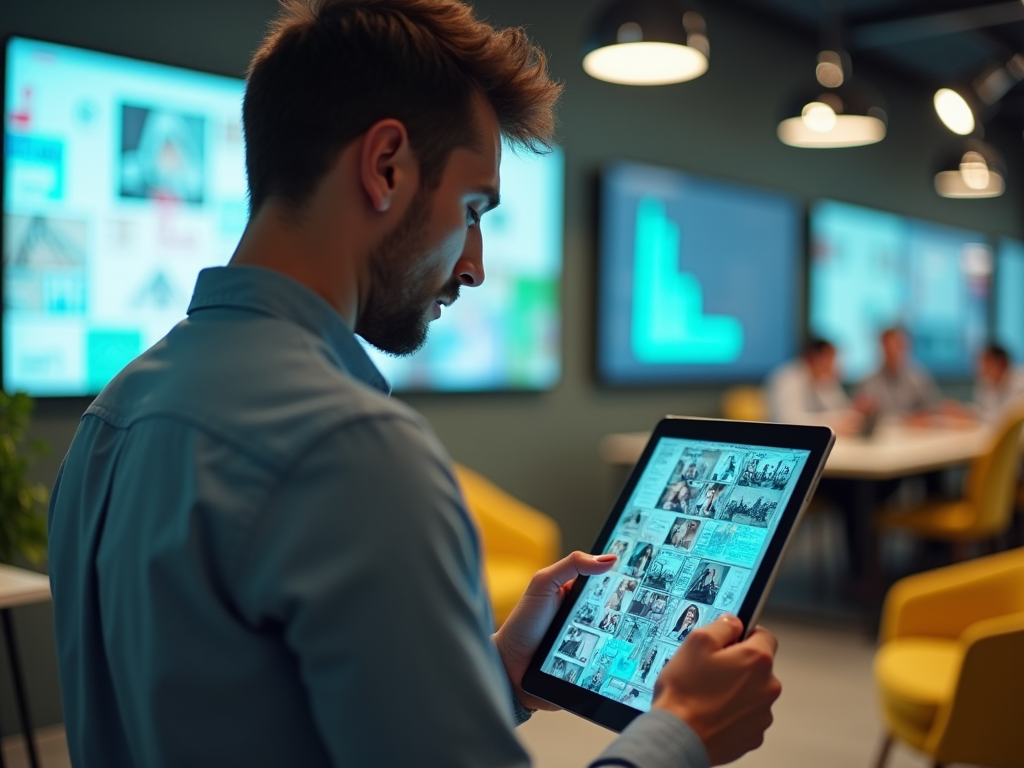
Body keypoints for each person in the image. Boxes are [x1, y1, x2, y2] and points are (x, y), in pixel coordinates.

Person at [46, 2, 782, 768]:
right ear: (386, 166)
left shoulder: (110, 419)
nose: (475, 265)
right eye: (472, 210)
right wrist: (682, 732)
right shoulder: (355, 451)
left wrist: (499, 671)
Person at [766, 338, 861, 433]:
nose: (835, 364)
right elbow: (788, 421)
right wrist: (833, 423)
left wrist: (854, 411)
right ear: (815, 357)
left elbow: (840, 408)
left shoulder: (825, 380)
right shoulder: (788, 378)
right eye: (831, 359)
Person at [856, 328, 940, 420]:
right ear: (882, 347)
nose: (892, 351)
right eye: (888, 346)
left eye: (896, 345)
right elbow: (856, 413)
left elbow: (932, 409)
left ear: (905, 347)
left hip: (912, 432)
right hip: (881, 433)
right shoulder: (868, 382)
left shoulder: (919, 378)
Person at [972, 343, 1024, 423]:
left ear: (1000, 363)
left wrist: (974, 417)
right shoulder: (987, 382)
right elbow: (983, 410)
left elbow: (1007, 419)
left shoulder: (1020, 382)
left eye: (986, 364)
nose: (982, 370)